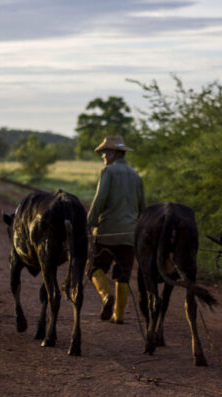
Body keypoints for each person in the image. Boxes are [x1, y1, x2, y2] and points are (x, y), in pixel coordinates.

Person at [87, 136, 146, 324]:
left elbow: (100, 199)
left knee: (94, 268)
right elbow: (142, 206)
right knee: (123, 273)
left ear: (113, 153)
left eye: (105, 152)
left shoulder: (108, 171)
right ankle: (118, 315)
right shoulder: (136, 175)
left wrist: (89, 222)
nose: (103, 156)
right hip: (130, 234)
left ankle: (106, 296)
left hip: (108, 231)